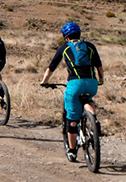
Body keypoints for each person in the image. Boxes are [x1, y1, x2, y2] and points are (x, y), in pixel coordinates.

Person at [40, 22, 104, 162]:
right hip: (92, 83)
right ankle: (94, 119)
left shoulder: (64, 48)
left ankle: (72, 150)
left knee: (72, 119)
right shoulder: (90, 46)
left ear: (65, 36)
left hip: (75, 84)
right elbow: (99, 65)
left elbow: (52, 67)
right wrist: (101, 80)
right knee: (88, 100)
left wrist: (44, 81)